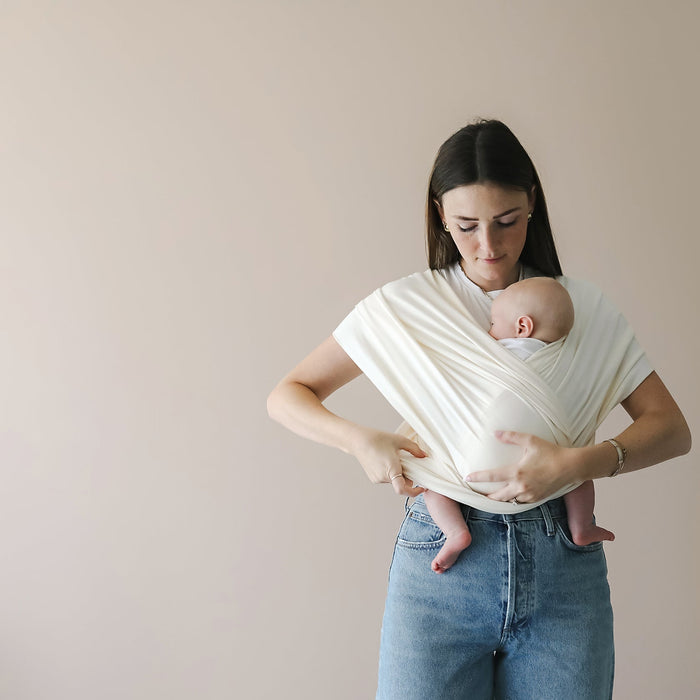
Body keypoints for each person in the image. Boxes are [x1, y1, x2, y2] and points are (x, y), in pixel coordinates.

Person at [266, 119, 691, 699]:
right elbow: (288, 394)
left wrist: (580, 464)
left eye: (506, 222)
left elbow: (671, 430)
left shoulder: (580, 308)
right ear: (440, 215)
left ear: (532, 206)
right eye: (466, 226)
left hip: (562, 557)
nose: (488, 246)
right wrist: (363, 441)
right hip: (440, 562)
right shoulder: (406, 307)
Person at [425, 276, 614, 575]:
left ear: (522, 327)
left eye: (492, 323)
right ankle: (581, 527)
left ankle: (455, 532)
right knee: (579, 475)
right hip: (548, 473)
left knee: (432, 484)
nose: (489, 331)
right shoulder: (569, 365)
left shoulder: (494, 358)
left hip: (471, 476)